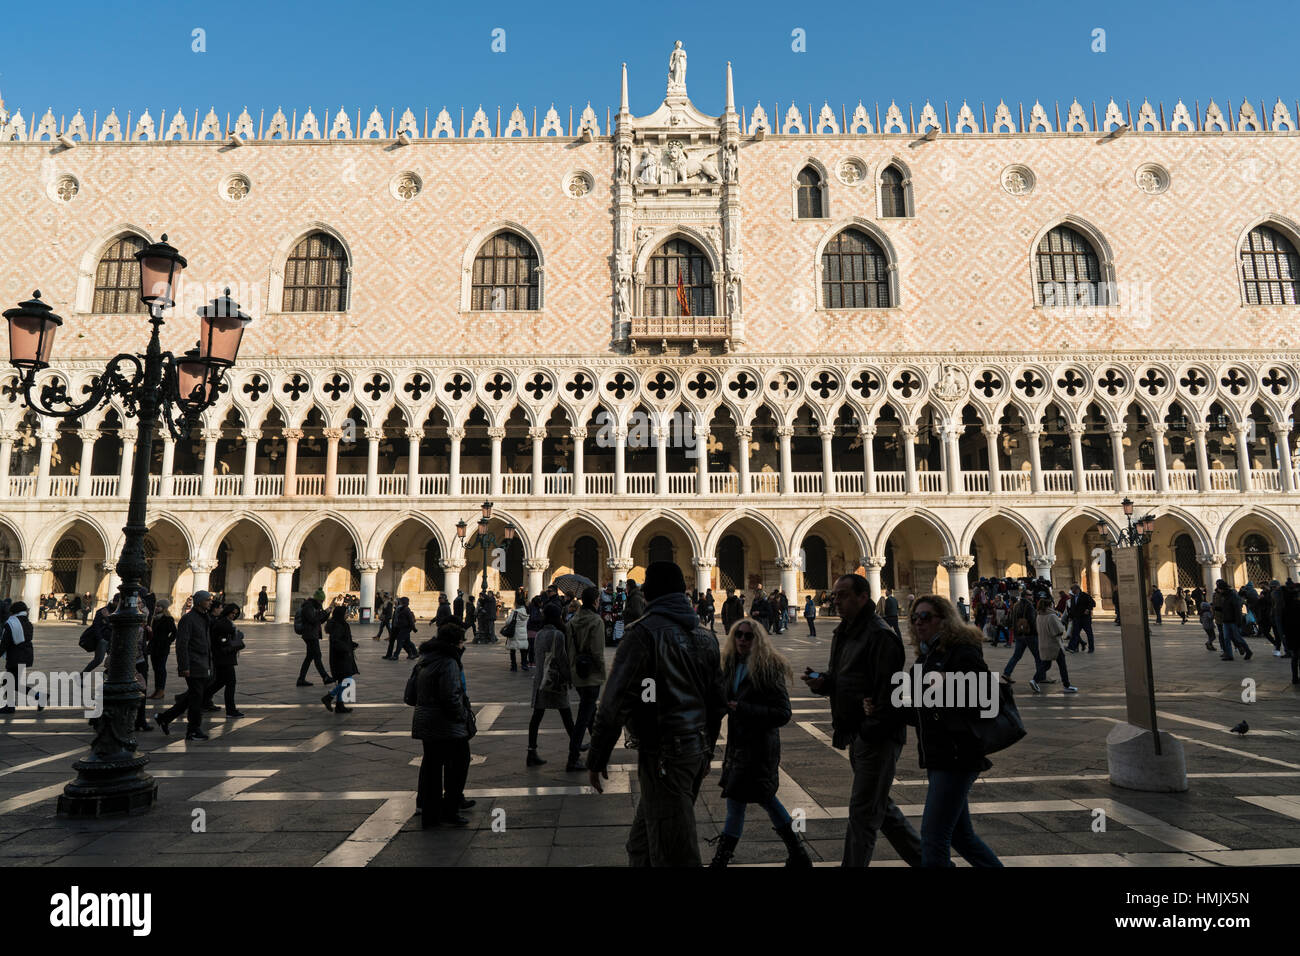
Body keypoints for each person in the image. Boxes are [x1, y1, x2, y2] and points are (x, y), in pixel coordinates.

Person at [587, 561, 726, 866]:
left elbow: (613, 705)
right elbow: (717, 704)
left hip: (664, 758)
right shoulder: (706, 637)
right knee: (642, 846)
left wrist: (597, 757)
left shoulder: (643, 634)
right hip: (692, 754)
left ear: (651, 591)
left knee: (675, 855)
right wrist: (707, 751)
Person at [803, 573, 921, 867]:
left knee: (863, 814)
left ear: (863, 596)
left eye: (842, 595)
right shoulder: (845, 632)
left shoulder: (880, 635)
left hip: (876, 736)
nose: (835, 600)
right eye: (835, 595)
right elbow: (845, 679)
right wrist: (822, 681)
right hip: (858, 733)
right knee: (882, 809)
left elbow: (888, 694)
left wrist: (868, 730)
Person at [882, 594, 1002, 868]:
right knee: (961, 835)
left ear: (944, 620)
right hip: (939, 755)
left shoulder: (963, 651)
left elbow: (987, 697)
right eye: (914, 618)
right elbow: (916, 709)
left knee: (933, 837)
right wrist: (881, 706)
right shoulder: (926, 656)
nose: (918, 623)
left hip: (958, 754)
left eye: (925, 617)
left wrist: (950, 684)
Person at [710, 618, 809, 867]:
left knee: (743, 801)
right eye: (739, 635)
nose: (742, 640)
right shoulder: (730, 665)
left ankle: (721, 860)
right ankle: (798, 853)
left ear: (758, 640)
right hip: (738, 746)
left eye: (748, 636)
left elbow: (782, 712)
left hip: (759, 748)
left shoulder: (768, 668)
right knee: (761, 799)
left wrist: (743, 708)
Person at [411, 623, 474, 828]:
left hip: (425, 721)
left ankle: (430, 815)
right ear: (455, 642)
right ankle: (450, 809)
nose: (463, 645)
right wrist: (462, 716)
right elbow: (451, 696)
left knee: (431, 768)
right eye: (462, 641)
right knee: (459, 765)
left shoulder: (424, 659)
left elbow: (409, 695)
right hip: (446, 724)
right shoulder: (449, 662)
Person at [156, 591, 214, 740]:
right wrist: (184, 667)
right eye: (207, 600)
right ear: (199, 602)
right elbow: (182, 644)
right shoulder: (188, 619)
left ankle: (165, 718)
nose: (210, 602)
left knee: (193, 696)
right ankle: (193, 730)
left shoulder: (205, 617)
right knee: (196, 700)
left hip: (204, 663)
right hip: (193, 664)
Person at [525, 604, 576, 767]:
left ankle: (531, 752)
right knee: (567, 716)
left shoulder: (539, 634)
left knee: (536, 718)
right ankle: (576, 744)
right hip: (554, 681)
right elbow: (561, 660)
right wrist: (570, 678)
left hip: (541, 681)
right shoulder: (558, 635)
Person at [565, 586, 605, 771]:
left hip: (577, 673)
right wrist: (603, 673)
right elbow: (598, 652)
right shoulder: (596, 621)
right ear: (595, 601)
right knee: (584, 717)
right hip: (591, 674)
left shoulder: (573, 621)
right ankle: (573, 758)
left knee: (590, 714)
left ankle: (599, 750)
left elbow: (569, 649)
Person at [203, 603, 245, 717]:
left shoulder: (225, 622)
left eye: (236, 614)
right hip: (224, 658)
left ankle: (203, 699)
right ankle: (231, 710)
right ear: (228, 611)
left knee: (219, 682)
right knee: (230, 683)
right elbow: (222, 642)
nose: (234, 615)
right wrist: (236, 641)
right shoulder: (223, 624)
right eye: (232, 613)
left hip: (224, 657)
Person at [1029, 597, 1076, 693]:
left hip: (1043, 644)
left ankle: (1034, 680)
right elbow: (1058, 631)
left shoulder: (1039, 616)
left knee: (1046, 665)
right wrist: (1062, 626)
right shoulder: (1052, 616)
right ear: (1049, 605)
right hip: (1054, 645)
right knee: (1062, 665)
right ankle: (1066, 685)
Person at [322, 601, 359, 714]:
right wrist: (346, 648)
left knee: (343, 680)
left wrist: (351, 644)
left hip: (341, 656)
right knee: (348, 680)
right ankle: (329, 697)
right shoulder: (339, 625)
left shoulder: (340, 624)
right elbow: (336, 641)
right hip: (341, 657)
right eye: (346, 613)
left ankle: (340, 705)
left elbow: (342, 639)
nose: (347, 614)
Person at [0, 602, 35, 715]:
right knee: (9, 682)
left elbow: (4, 643)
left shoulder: (10, 623)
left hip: (15, 657)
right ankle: (10, 706)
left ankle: (10, 707)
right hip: (26, 655)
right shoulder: (28, 623)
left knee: (10, 682)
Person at [1002, 590, 1042, 684]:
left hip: (1019, 633)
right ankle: (1041, 676)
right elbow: (1032, 620)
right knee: (1038, 656)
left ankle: (1007, 673)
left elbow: (1012, 619)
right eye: (1030, 595)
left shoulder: (1016, 605)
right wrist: (1036, 632)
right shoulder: (1029, 605)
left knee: (1016, 656)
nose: (1032, 596)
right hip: (1029, 634)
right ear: (1026, 596)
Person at [296, 590, 334, 686]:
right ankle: (325, 677)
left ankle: (301, 679)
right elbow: (312, 619)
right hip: (309, 634)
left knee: (309, 657)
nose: (321, 603)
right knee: (317, 656)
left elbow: (319, 620)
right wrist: (324, 612)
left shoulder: (316, 607)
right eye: (321, 601)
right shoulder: (308, 606)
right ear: (317, 599)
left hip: (313, 634)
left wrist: (327, 613)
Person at [147, 599, 177, 699]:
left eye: (159, 606)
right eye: (156, 606)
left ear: (163, 608)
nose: (156, 608)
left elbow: (174, 632)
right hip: (154, 647)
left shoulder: (168, 619)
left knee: (161, 669)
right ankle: (157, 690)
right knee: (156, 669)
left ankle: (161, 690)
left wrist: (167, 642)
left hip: (162, 647)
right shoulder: (154, 618)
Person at [1214, 580, 1252, 661]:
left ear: (1223, 588)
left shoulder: (1233, 596)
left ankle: (1248, 651)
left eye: (1219, 588)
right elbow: (1226, 609)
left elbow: (1237, 610)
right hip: (1226, 620)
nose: (1218, 590)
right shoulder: (1224, 596)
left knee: (1238, 638)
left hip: (1233, 621)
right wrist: (1218, 608)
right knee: (1226, 638)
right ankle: (1229, 655)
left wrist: (1238, 622)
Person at [81, 596, 118, 672]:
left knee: (114, 661)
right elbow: (96, 626)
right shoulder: (103, 611)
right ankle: (81, 676)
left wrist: (107, 619)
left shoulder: (119, 612)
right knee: (98, 660)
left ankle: (108, 679)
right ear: (114, 602)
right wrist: (101, 639)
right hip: (104, 639)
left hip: (113, 640)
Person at [1065, 585, 1095, 653]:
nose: (1073, 592)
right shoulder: (1073, 598)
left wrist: (1088, 609)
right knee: (1075, 633)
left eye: (1074, 591)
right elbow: (1072, 609)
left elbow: (1092, 603)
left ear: (1078, 589)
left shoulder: (1085, 595)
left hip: (1085, 619)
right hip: (1077, 619)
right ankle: (1071, 647)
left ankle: (1091, 648)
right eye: (1072, 591)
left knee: (1089, 633)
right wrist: (1070, 617)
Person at [387, 596, 418, 660]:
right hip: (401, 628)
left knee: (400, 641)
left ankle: (396, 655)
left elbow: (410, 620)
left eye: (400, 601)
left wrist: (414, 628)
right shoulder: (400, 609)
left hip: (405, 628)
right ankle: (415, 653)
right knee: (407, 642)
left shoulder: (406, 609)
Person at [503, 597, 530, 672]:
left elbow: (508, 622)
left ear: (517, 603)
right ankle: (524, 664)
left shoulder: (515, 612)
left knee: (513, 650)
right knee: (523, 650)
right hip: (523, 632)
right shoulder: (526, 611)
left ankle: (514, 666)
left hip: (515, 632)